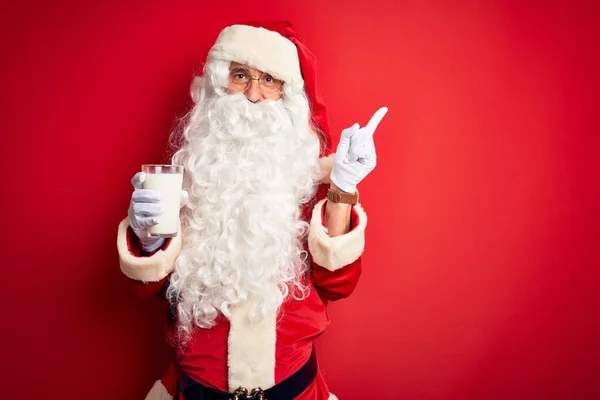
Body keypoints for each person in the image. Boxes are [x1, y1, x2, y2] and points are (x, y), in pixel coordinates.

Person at [117, 21, 388, 400]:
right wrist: (147, 239)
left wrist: (342, 186)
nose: (253, 95)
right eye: (241, 76)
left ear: (286, 95)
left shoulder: (306, 182)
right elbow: (150, 289)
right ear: (217, 82)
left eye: (269, 81)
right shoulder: (190, 179)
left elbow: (337, 284)